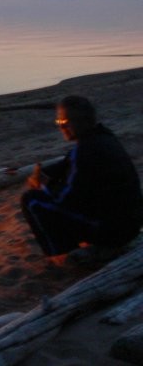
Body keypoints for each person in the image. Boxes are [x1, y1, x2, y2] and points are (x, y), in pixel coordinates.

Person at [21, 95, 143, 265]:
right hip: (130, 225)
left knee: (32, 200)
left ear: (81, 122)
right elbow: (67, 161)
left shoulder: (86, 151)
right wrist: (45, 172)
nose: (61, 127)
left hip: (113, 231)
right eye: (58, 123)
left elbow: (66, 200)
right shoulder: (104, 136)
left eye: (65, 123)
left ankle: (62, 254)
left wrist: (44, 184)